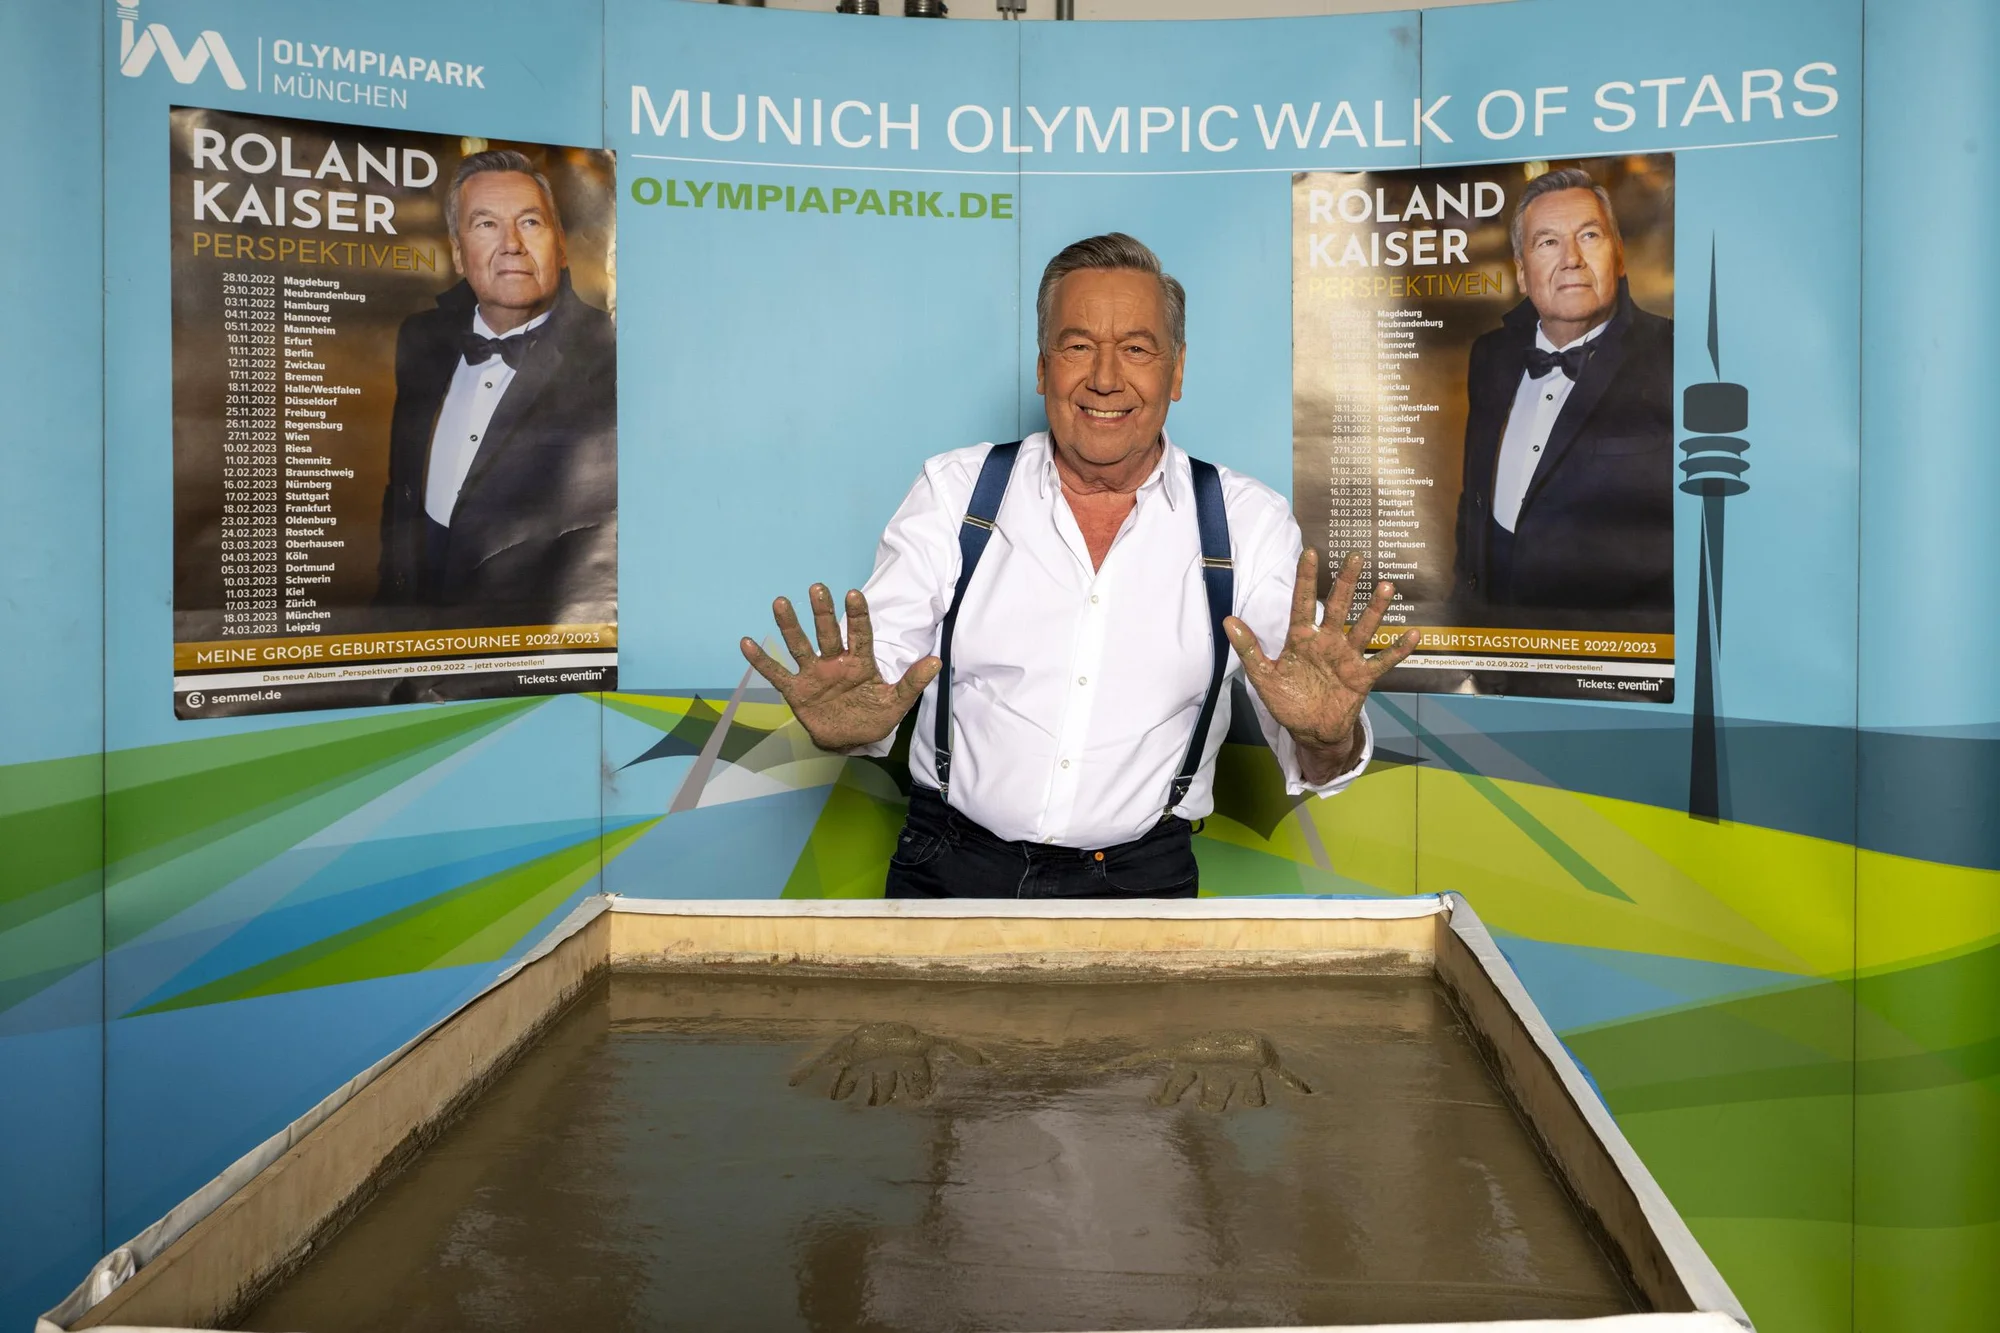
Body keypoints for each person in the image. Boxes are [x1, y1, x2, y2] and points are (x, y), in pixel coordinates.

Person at [741, 233, 1418, 899]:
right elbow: (875, 679)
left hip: (1142, 883)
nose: (1105, 377)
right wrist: (849, 722)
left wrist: (1328, 736)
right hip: (947, 866)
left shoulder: (1247, 522)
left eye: (1137, 348)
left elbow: (1314, 731)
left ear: (1177, 371)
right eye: (1077, 346)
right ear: (1043, 368)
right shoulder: (956, 492)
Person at [376, 149, 616, 629]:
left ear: (561, 246)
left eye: (530, 222)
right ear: (458, 252)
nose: (511, 244)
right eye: (486, 224)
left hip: (533, 641)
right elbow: (402, 490)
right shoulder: (420, 337)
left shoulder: (612, 357)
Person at [1450, 167, 1673, 625]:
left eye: (1589, 236)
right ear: (1521, 272)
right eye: (1548, 242)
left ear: (1619, 256)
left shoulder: (1677, 356)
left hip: (1610, 652)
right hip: (1489, 644)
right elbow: (1474, 502)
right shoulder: (1489, 355)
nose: (1571, 259)